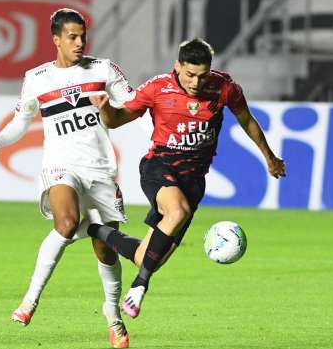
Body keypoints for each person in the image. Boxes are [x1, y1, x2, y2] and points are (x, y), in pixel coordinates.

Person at [91, 38, 286, 318]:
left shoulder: (224, 88)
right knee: (177, 210)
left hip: (193, 181)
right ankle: (139, 287)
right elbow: (115, 120)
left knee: (145, 257)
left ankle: (94, 229)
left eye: (203, 75)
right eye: (190, 75)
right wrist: (105, 108)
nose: (196, 82)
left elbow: (247, 120)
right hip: (159, 167)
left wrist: (269, 156)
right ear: (177, 67)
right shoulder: (157, 88)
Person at [0, 8, 136, 349]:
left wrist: (159, 139)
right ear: (56, 39)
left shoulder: (104, 70)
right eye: (72, 37)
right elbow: (21, 122)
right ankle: (29, 301)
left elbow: (136, 106)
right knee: (66, 224)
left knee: (106, 248)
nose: (80, 42)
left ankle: (112, 314)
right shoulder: (37, 78)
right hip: (60, 165)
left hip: (100, 168)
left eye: (82, 36)